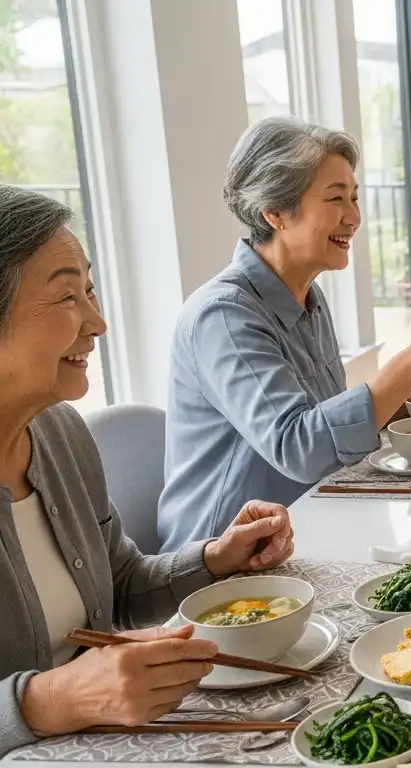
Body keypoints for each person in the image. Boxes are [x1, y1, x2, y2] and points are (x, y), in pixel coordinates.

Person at [0, 185, 297, 752]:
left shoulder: (60, 434)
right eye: (66, 297)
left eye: (90, 290)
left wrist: (214, 559)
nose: (97, 323)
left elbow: (119, 585)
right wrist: (49, 700)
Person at [158, 118, 411, 553]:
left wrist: (407, 397)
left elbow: (325, 423)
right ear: (275, 212)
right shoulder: (223, 315)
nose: (353, 217)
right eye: (335, 199)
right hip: (228, 553)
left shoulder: (307, 295)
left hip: (309, 519)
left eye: (354, 198)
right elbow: (301, 449)